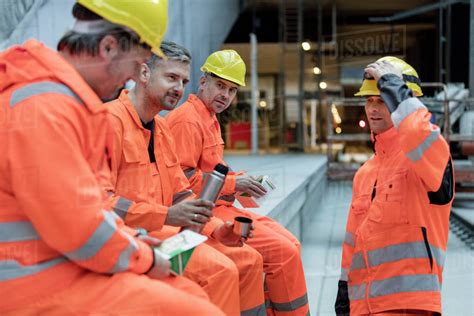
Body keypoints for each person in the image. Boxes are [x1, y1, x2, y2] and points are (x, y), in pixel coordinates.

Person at [0, 1, 223, 315]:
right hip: (32, 283)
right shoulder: (46, 109)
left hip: (57, 264)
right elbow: (82, 229)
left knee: (186, 293)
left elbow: (89, 212)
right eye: (136, 66)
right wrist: (144, 256)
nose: (132, 80)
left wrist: (139, 243)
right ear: (107, 47)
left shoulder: (59, 101)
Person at [105, 41, 265, 315]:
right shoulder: (109, 122)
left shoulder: (162, 130)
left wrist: (217, 229)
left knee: (248, 260)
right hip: (129, 238)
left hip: (167, 232)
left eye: (183, 80)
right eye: (171, 78)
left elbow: (183, 195)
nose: (179, 88)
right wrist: (166, 215)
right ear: (144, 74)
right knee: (221, 272)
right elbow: (101, 204)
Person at [166, 49, 309, 315]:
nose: (225, 95)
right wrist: (234, 184)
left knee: (292, 245)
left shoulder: (209, 118)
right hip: (204, 213)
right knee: (283, 253)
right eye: (220, 85)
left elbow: (209, 171)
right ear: (203, 81)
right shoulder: (187, 120)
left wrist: (241, 181)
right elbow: (181, 182)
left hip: (220, 207)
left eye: (232, 90)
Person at [334, 56, 454, 315]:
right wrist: (344, 290)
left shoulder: (426, 158)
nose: (374, 109)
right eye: (370, 101)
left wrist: (394, 85)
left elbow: (417, 132)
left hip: (410, 305)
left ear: (402, 100)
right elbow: (352, 242)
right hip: (364, 306)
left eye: (383, 100)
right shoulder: (365, 173)